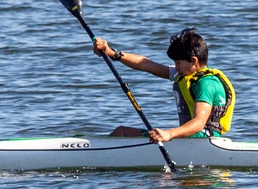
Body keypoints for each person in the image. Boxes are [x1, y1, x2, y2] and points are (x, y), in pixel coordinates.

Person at [91, 28, 237, 144]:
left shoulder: (206, 84)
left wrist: (169, 134)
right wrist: (111, 53)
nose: (176, 67)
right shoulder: (185, 74)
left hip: (201, 141)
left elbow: (199, 123)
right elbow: (146, 64)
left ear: (193, 61)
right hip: (188, 139)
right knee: (120, 131)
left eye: (178, 63)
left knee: (121, 133)